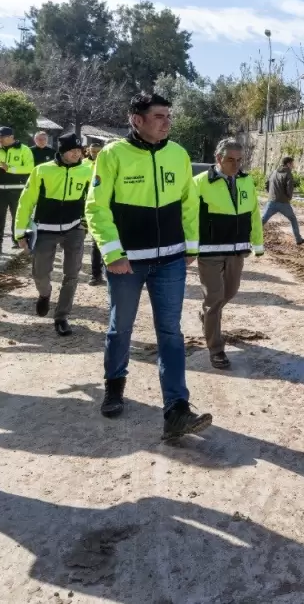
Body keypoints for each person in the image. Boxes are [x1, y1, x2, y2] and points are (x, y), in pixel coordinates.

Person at [85, 93, 211, 437]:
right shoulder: (112, 155)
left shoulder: (178, 154)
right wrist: (112, 253)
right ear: (136, 120)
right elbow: (97, 207)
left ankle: (177, 409)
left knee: (170, 332)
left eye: (169, 115)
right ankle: (114, 386)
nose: (167, 122)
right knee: (120, 327)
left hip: (170, 260)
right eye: (159, 116)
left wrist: (191, 246)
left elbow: (189, 201)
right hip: (127, 263)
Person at [195, 137, 264, 370]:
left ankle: (207, 317)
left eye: (239, 160)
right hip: (210, 251)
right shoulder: (200, 183)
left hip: (236, 249)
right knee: (214, 299)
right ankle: (216, 349)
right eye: (230, 160)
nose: (236, 165)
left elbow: (253, 213)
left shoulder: (246, 181)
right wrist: (189, 247)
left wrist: (257, 243)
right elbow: (189, 217)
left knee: (230, 292)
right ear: (218, 159)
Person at [13, 133, 90, 336]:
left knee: (72, 275)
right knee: (40, 273)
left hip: (74, 230)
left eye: (79, 150)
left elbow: (93, 200)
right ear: (62, 151)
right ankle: (45, 294)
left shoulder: (88, 170)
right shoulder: (42, 170)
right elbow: (26, 202)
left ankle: (62, 316)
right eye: (72, 150)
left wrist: (87, 223)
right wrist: (20, 233)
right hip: (45, 230)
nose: (77, 154)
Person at [0, 126, 34, 254]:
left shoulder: (24, 149)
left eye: (2, 137)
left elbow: (30, 168)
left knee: (16, 215)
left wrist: (10, 168)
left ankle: (16, 241)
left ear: (11, 137)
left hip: (17, 188)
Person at [263, 156, 304, 246]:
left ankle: (247, 237)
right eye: (292, 164)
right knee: (293, 219)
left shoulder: (273, 172)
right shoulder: (288, 173)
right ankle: (298, 239)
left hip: (271, 202)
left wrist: (271, 194)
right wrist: (288, 198)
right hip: (283, 203)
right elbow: (290, 188)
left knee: (262, 221)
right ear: (288, 164)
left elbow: (266, 184)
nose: (293, 166)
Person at [84, 137, 107, 286]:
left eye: (98, 152)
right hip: (91, 208)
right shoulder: (83, 166)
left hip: (108, 207)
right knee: (95, 243)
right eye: (92, 151)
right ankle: (95, 274)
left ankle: (109, 271)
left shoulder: (107, 164)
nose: (95, 154)